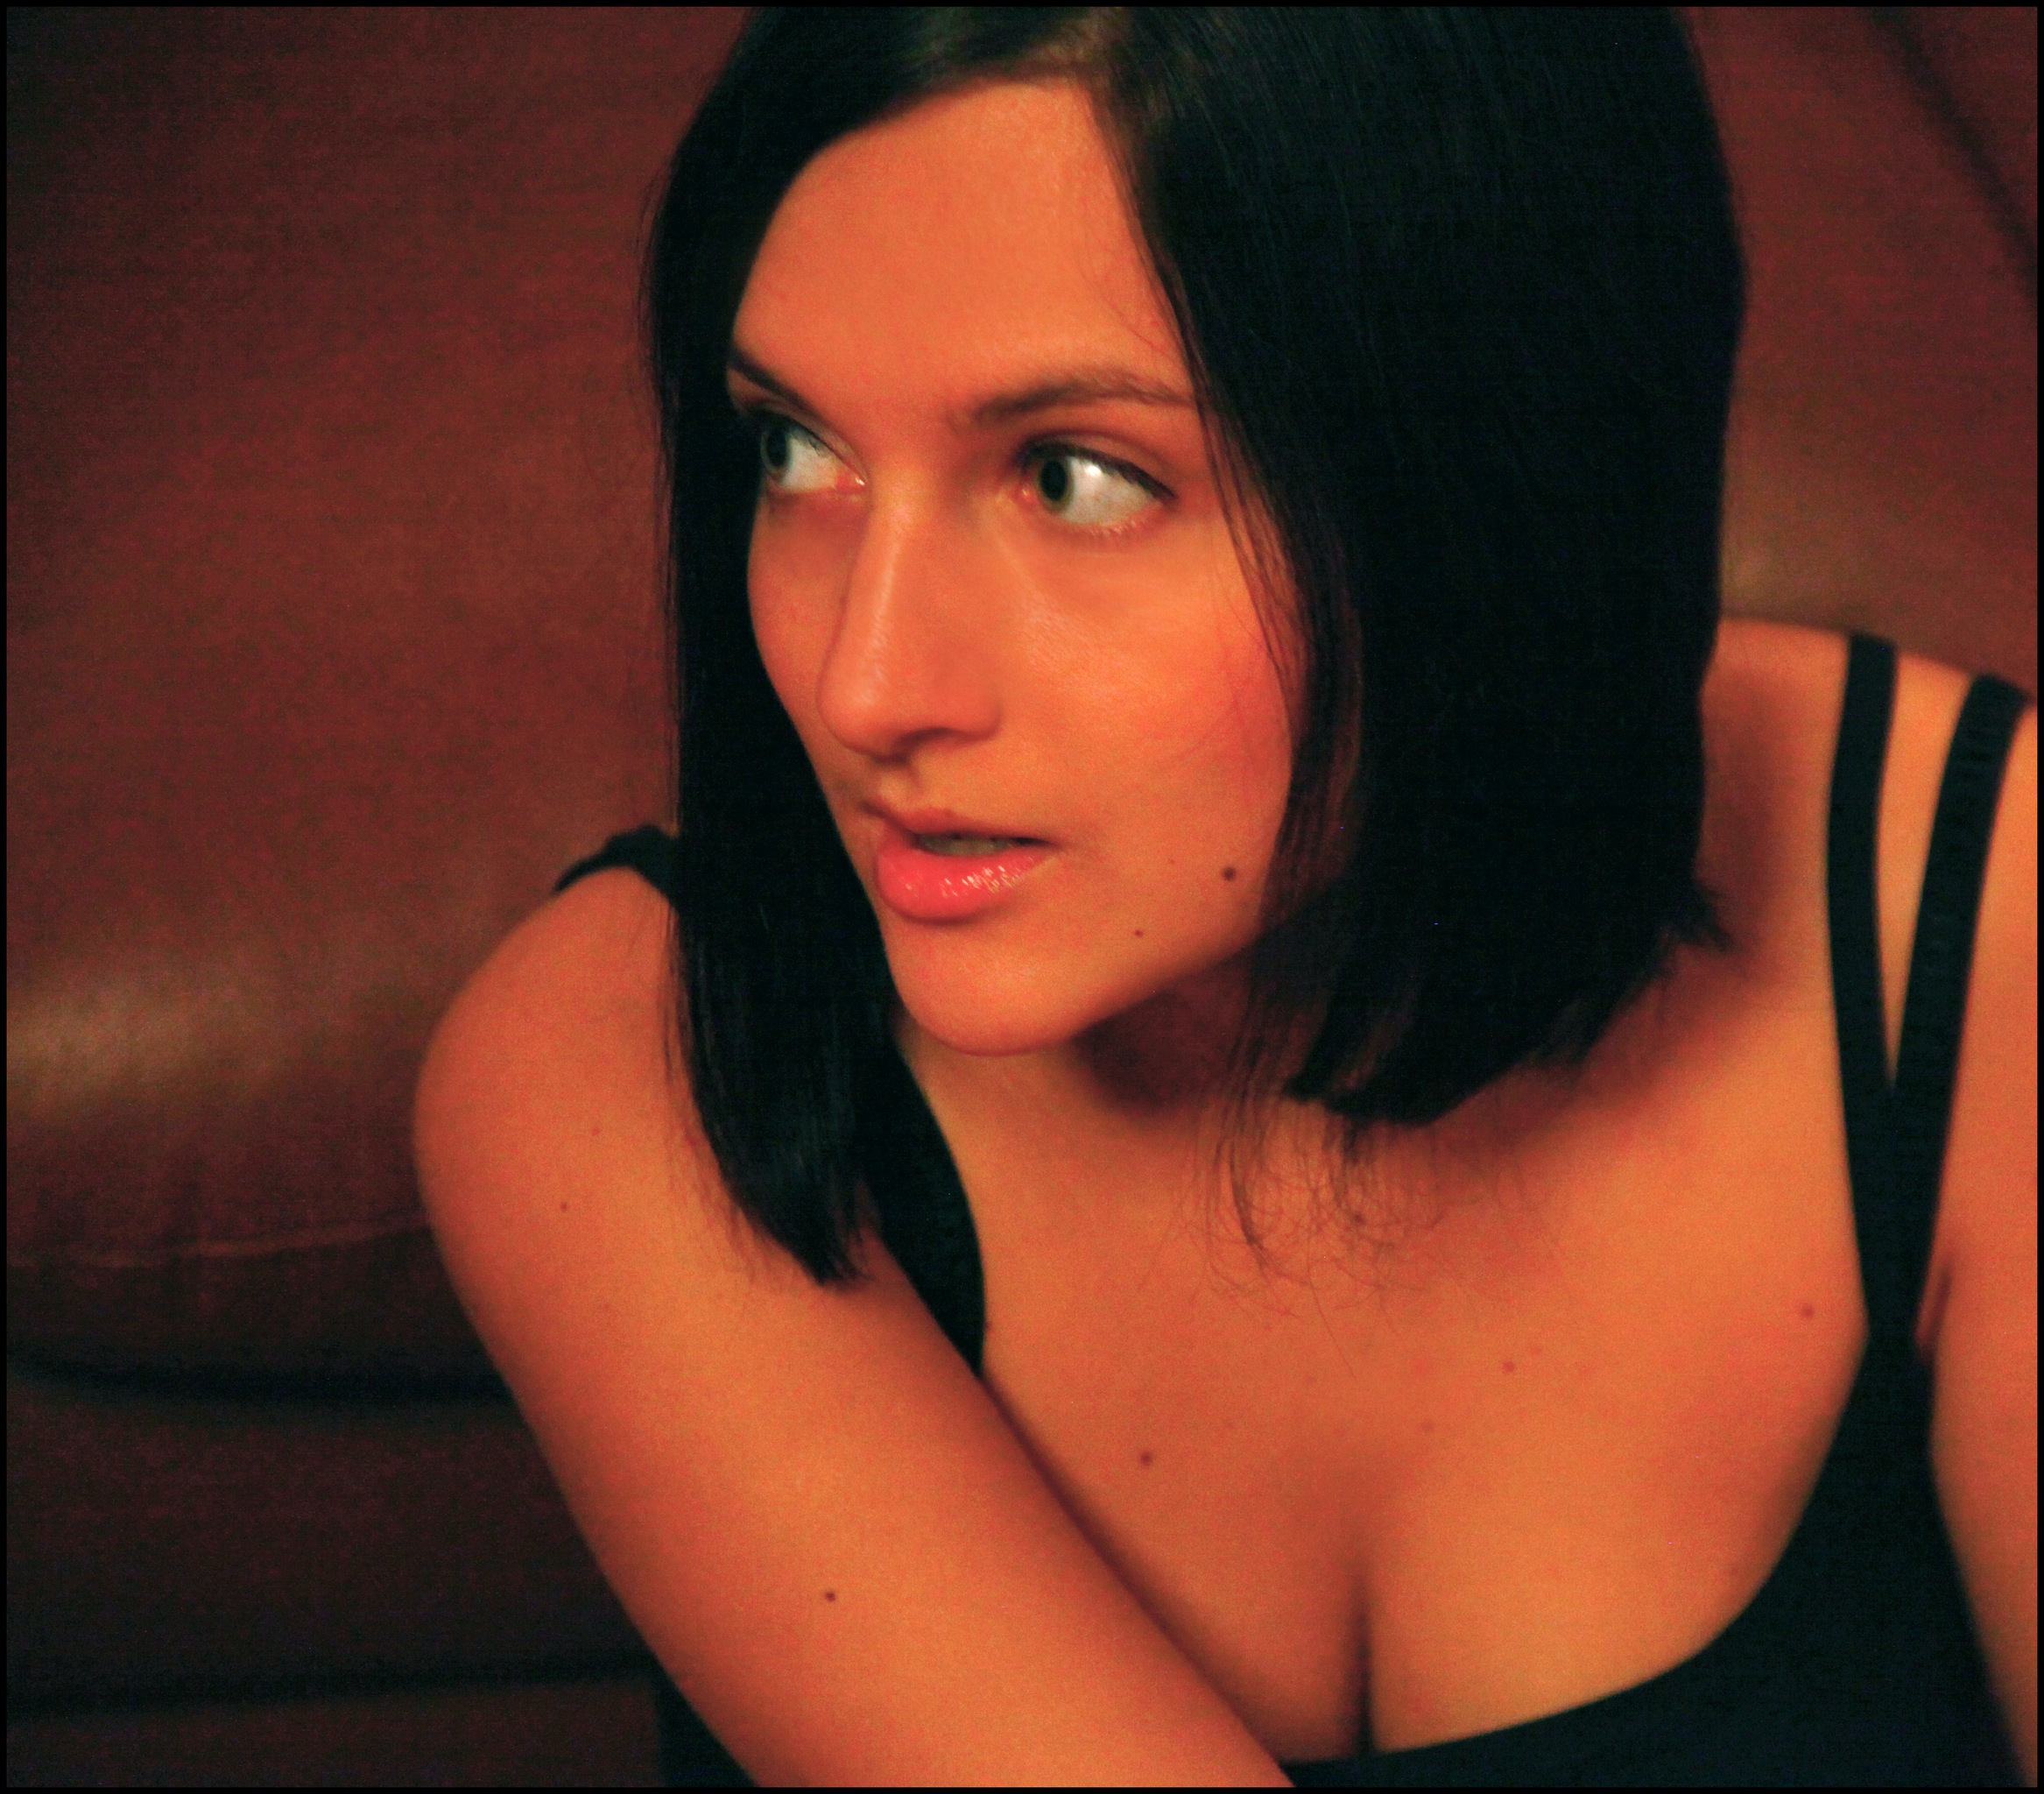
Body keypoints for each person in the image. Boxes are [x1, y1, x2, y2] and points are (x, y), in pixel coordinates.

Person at [414, 10, 2036, 1784]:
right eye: (796, 452)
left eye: (1074, 478)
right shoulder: (618, 1057)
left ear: (1498, 464)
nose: (866, 684)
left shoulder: (1976, 905)